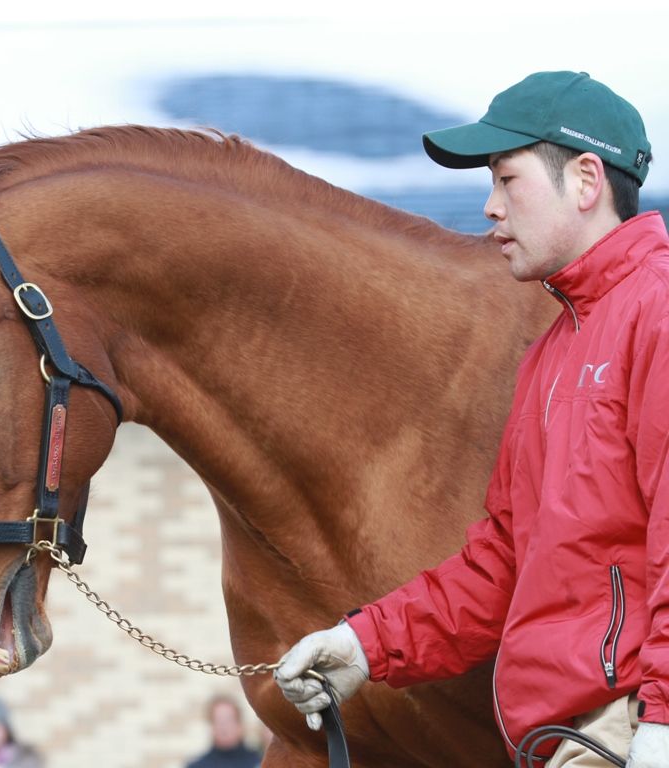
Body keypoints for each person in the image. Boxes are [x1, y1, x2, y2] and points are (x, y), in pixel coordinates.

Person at [274, 71, 669, 768]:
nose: (489, 206)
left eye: (506, 179)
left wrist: (662, 725)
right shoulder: (555, 349)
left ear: (585, 179)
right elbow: (502, 563)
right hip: (561, 736)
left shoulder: (657, 314)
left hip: (624, 725)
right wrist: (366, 643)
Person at [183, 696, 260, 768]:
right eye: (218, 721)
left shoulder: (260, 763)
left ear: (240, 726)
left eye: (228, 720)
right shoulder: (197, 766)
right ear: (211, 726)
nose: (223, 726)